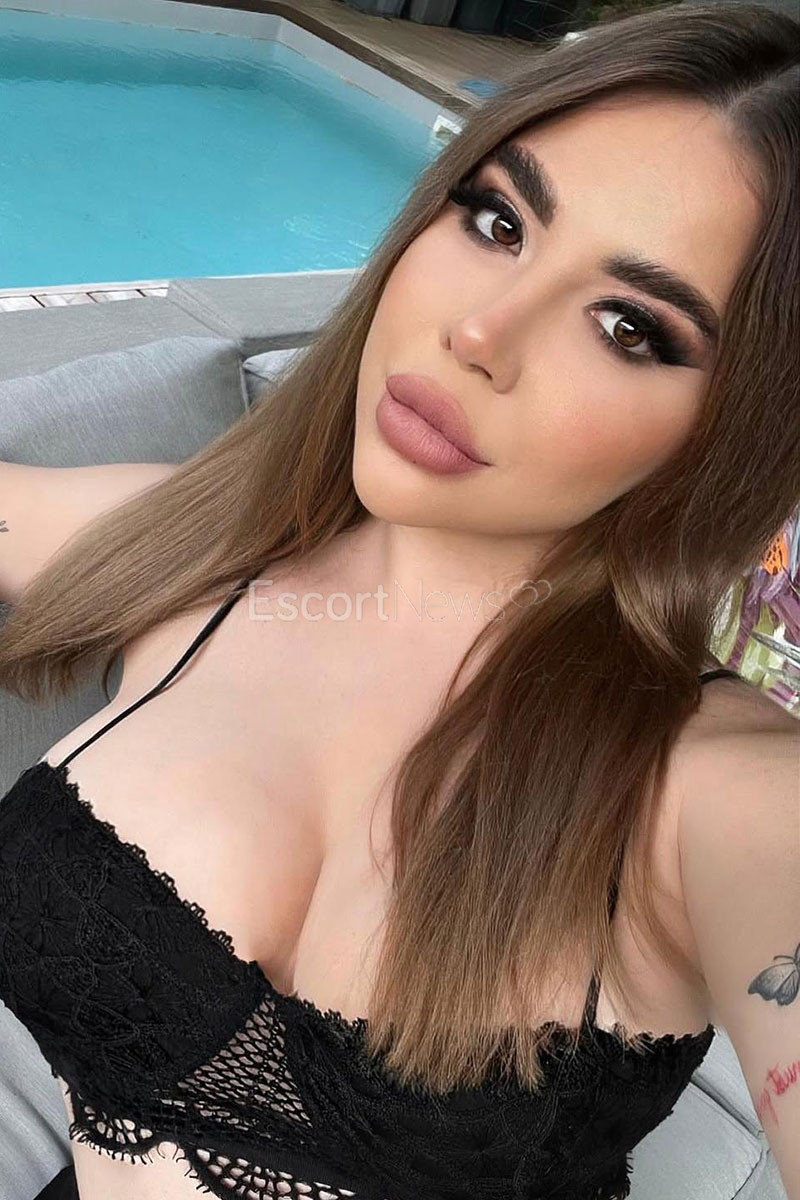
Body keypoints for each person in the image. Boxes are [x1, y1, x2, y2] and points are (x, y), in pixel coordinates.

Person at [0, 3, 798, 1197]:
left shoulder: (721, 791)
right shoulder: (187, 550)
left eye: (628, 327)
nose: (477, 332)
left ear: (736, 432)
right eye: (496, 220)